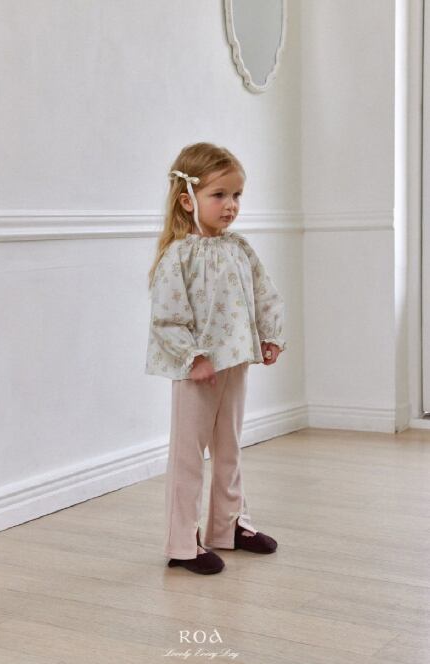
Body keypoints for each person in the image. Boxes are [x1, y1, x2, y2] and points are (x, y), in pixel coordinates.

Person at [145, 142, 287, 575]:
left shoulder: (239, 248)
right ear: (188, 200)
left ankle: (230, 525)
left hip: (235, 363)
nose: (231, 205)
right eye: (219, 195)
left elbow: (264, 294)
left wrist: (270, 335)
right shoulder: (178, 256)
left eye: (237, 195)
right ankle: (182, 543)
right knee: (188, 455)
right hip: (197, 372)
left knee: (230, 447)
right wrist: (194, 358)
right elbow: (167, 318)